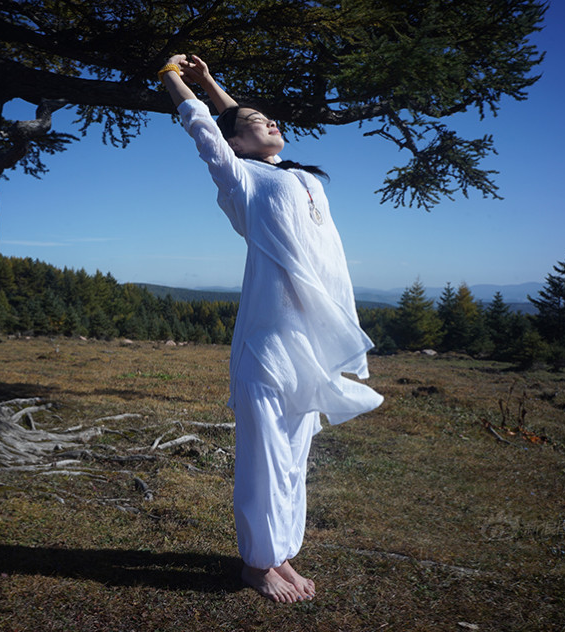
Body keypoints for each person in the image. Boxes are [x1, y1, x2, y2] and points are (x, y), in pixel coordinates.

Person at [158, 54, 384, 603]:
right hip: (270, 340)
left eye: (270, 119)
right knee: (264, 451)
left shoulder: (295, 174)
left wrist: (211, 80)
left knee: (295, 450)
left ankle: (280, 552)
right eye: (257, 124)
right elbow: (211, 130)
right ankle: (257, 564)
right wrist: (172, 80)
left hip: (312, 337)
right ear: (236, 144)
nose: (270, 122)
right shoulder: (242, 178)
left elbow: (236, 115)